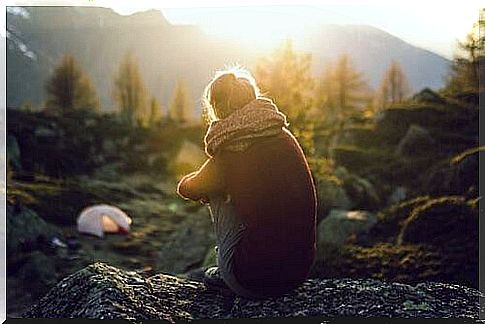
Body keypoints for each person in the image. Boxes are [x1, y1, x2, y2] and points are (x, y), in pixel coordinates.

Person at [177, 67, 317, 299]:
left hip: (252, 281)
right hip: (298, 274)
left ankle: (227, 266)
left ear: (218, 108)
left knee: (213, 191)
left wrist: (213, 182)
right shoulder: (283, 135)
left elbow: (188, 189)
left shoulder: (231, 149)